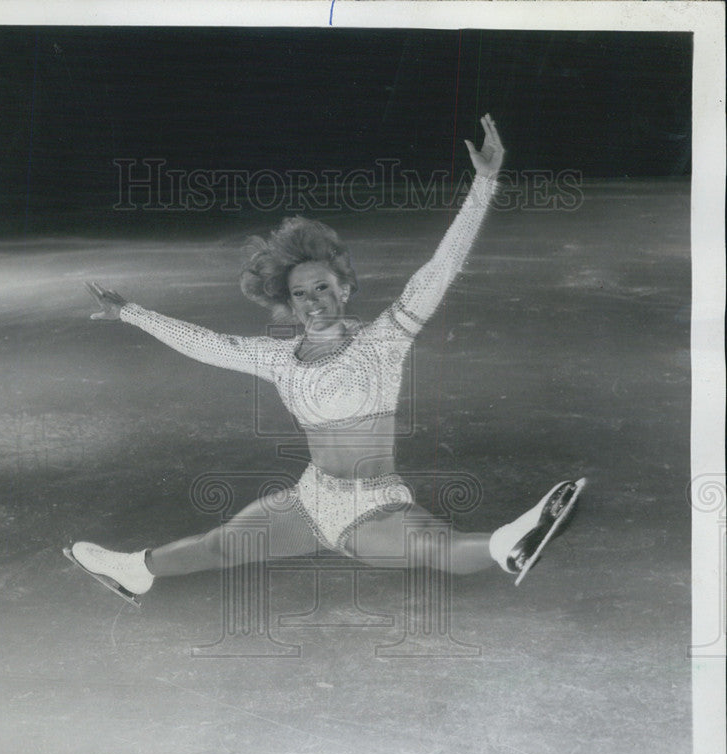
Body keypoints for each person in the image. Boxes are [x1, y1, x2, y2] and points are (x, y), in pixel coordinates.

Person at [68, 115, 585, 603]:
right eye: (300, 293)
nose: (313, 300)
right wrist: (130, 313)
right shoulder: (277, 358)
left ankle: (512, 544)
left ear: (346, 288)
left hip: (375, 504)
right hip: (309, 501)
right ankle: (135, 572)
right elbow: (205, 345)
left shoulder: (385, 338)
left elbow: (440, 269)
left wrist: (483, 185)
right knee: (221, 545)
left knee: (436, 548)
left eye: (323, 287)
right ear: (286, 302)